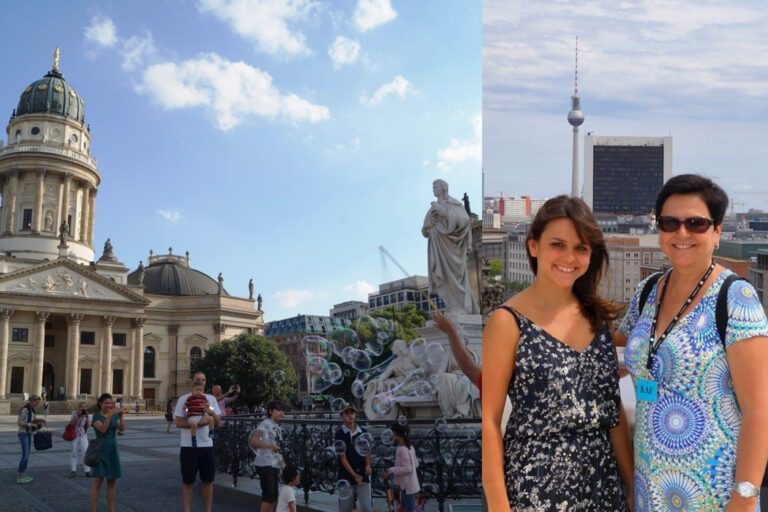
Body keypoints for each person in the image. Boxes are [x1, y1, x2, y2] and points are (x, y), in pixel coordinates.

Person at [615, 174, 768, 511]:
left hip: (712, 491)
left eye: (696, 223)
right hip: (650, 490)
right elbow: (620, 349)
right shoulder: (648, 292)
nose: (682, 233)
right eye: (670, 222)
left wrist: (744, 496)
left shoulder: (736, 297)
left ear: (717, 231)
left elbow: (759, 409)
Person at [482, 195, 632, 511]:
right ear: (534, 246)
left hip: (602, 490)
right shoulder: (507, 322)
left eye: (581, 247)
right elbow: (491, 421)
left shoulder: (598, 318)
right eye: (558, 245)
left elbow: (612, 411)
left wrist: (631, 487)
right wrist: (498, 506)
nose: (569, 257)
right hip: (535, 491)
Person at [421, 179, 480, 315]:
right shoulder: (431, 209)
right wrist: (427, 227)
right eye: (432, 186)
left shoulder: (454, 204)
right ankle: (452, 307)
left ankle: (462, 308)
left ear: (443, 188)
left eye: (436, 186)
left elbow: (465, 221)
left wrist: (445, 214)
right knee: (444, 279)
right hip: (438, 247)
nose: (433, 189)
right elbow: (424, 231)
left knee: (456, 276)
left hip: (453, 247)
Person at [175, 372, 221, 512]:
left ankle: (208, 510)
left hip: (207, 445)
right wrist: (198, 424)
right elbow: (178, 422)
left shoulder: (211, 400)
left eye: (203, 379)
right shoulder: (184, 399)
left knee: (208, 481)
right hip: (189, 445)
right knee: (188, 481)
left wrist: (210, 412)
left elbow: (218, 421)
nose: (201, 382)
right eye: (198, 380)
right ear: (192, 383)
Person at [89, 393, 125, 512]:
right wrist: (110, 415)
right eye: (106, 403)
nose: (109, 405)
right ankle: (93, 509)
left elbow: (121, 430)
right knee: (98, 481)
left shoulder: (114, 416)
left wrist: (121, 417)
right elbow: (103, 429)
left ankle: (111, 509)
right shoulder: (96, 417)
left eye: (111, 403)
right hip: (101, 449)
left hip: (112, 449)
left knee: (112, 480)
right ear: (100, 403)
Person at [249, 400, 286, 512]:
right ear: (270, 411)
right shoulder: (265, 423)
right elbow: (254, 442)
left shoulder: (277, 426)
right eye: (278, 410)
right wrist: (270, 446)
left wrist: (283, 464)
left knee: (273, 496)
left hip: (273, 463)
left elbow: (277, 448)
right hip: (264, 463)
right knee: (269, 496)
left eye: (282, 410)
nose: (282, 413)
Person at [335, 403, 373, 512]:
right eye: (346, 414)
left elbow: (367, 450)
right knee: (345, 508)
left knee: (366, 506)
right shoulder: (340, 434)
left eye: (352, 413)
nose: (350, 416)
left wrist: (368, 465)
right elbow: (343, 458)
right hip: (346, 474)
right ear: (342, 416)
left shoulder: (363, 432)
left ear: (355, 414)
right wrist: (354, 475)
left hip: (362, 473)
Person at [384, 423, 420, 512]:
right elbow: (416, 464)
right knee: (405, 507)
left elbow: (408, 469)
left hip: (407, 486)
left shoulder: (402, 450)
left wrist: (390, 470)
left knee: (410, 509)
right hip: (409, 484)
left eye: (392, 432)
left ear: (396, 433)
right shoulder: (410, 447)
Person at [17, 394, 45, 484]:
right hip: (23, 433)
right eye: (36, 403)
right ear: (32, 401)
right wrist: (30, 425)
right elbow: (20, 422)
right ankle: (20, 474)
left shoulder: (31, 410)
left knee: (27, 454)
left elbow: (32, 419)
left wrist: (39, 420)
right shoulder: (25, 409)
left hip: (28, 433)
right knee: (25, 454)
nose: (37, 404)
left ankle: (23, 473)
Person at [184, 383, 214, 448]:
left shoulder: (204, 398)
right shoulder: (190, 398)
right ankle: (193, 438)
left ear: (203, 392)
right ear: (192, 391)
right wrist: (185, 409)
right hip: (192, 417)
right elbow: (185, 406)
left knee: (211, 418)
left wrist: (207, 405)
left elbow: (208, 404)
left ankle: (211, 432)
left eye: (200, 390)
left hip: (201, 417)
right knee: (194, 425)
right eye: (196, 390)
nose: (198, 392)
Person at [69, 401, 91, 478]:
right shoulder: (74, 413)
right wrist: (78, 416)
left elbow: (88, 426)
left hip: (83, 435)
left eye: (85, 407)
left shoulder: (86, 414)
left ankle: (87, 471)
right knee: (74, 452)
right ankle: (73, 470)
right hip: (75, 435)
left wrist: (87, 417)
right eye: (82, 406)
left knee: (85, 452)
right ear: (78, 407)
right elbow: (71, 423)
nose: (83, 408)